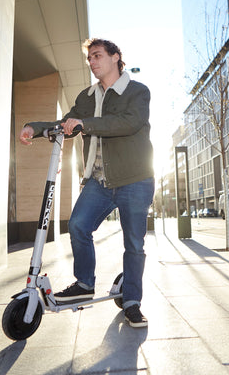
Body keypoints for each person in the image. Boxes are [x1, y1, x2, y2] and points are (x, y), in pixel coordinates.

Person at [19, 38, 154, 328]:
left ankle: (132, 302)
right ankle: (85, 283)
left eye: (97, 56)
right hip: (99, 180)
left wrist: (86, 124)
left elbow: (127, 123)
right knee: (78, 225)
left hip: (135, 179)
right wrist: (37, 128)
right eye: (89, 58)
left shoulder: (137, 92)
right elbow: (67, 123)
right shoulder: (87, 97)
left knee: (133, 243)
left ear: (116, 57)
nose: (92, 62)